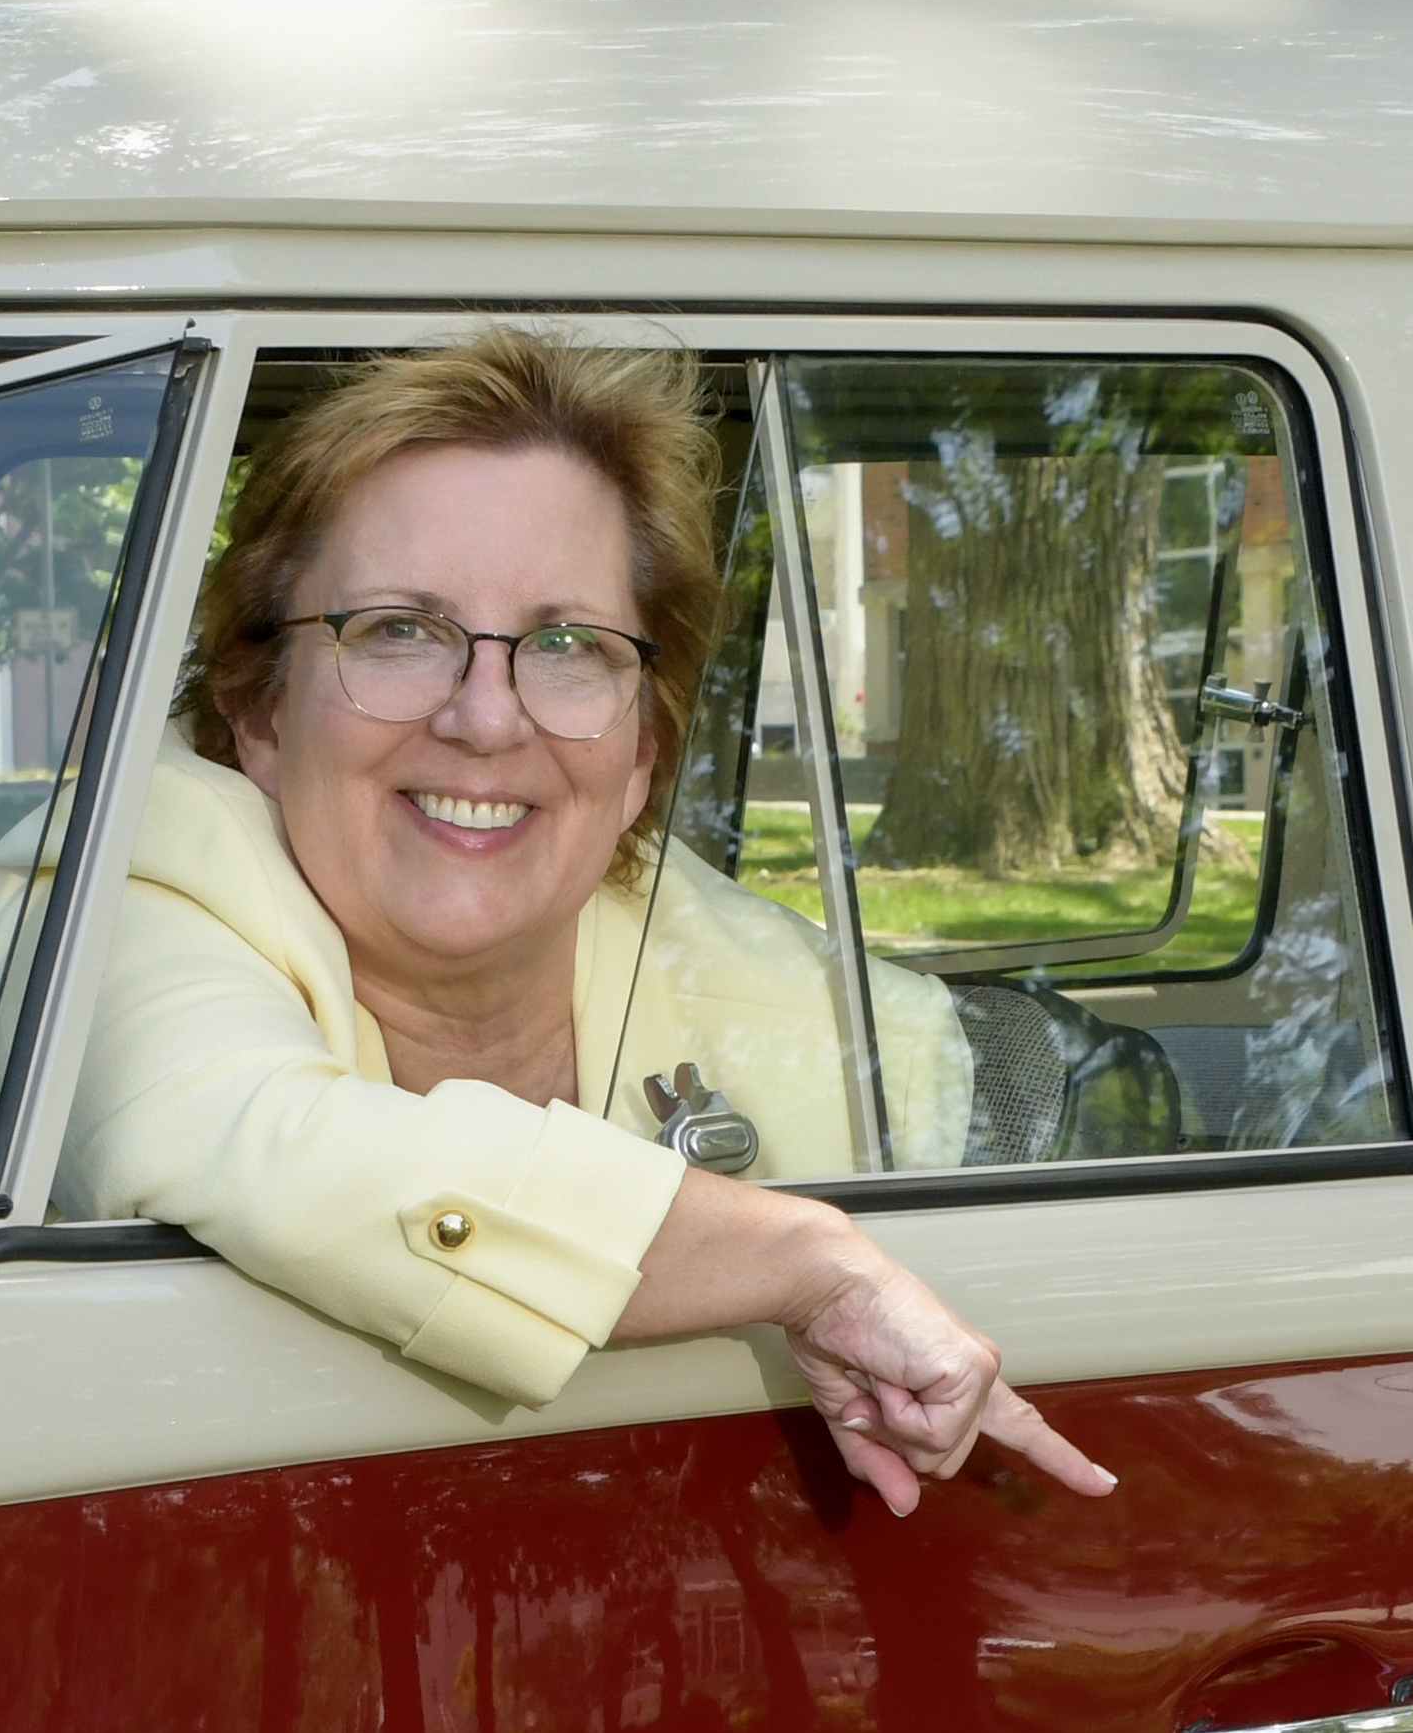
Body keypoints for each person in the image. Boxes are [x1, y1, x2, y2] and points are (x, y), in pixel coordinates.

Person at [62, 326, 1113, 1509]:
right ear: (258, 714)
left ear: (639, 760)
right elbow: (268, 1145)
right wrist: (804, 1263)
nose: (485, 718)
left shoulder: (842, 1029)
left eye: (565, 645)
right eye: (399, 630)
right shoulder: (125, 888)